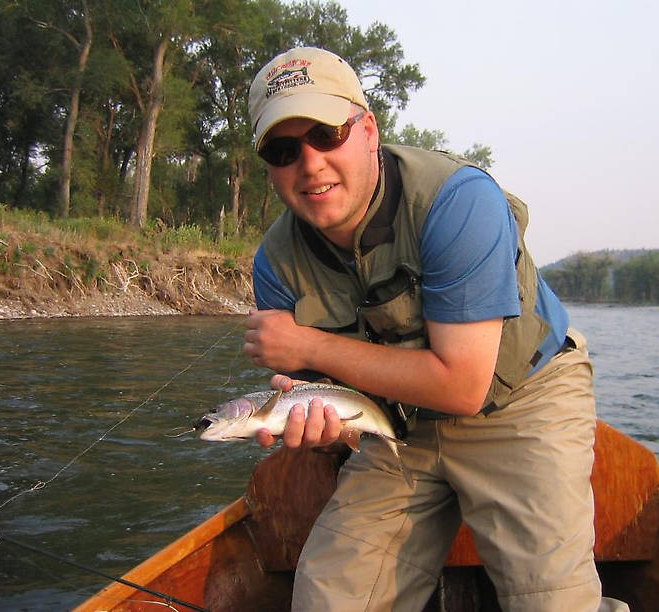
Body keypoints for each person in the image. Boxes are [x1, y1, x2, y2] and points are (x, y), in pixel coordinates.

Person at [244, 47, 626, 612]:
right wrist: (327, 431)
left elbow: (462, 386)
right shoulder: (275, 267)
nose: (310, 163)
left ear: (368, 130)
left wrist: (306, 342)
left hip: (519, 401)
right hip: (398, 422)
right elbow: (336, 409)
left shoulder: (458, 201)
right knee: (328, 601)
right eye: (283, 149)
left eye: (326, 134)